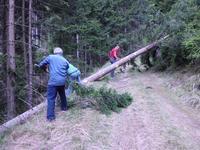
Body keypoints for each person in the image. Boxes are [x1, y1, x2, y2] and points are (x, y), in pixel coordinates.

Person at [36, 47, 69, 121]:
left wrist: (45, 68)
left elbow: (41, 64)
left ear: (54, 52)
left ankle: (50, 117)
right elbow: (67, 67)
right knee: (62, 95)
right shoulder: (65, 60)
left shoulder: (50, 57)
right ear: (61, 53)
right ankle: (64, 108)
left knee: (51, 98)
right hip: (62, 81)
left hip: (53, 82)